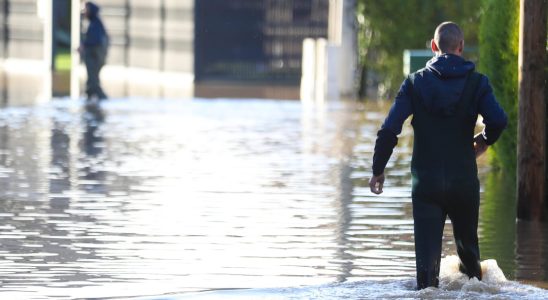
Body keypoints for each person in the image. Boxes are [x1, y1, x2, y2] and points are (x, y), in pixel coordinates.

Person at [369, 22, 507, 290]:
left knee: (426, 279)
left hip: (426, 185)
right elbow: (498, 120)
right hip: (463, 184)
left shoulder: (414, 83)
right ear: (462, 47)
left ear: (433, 47)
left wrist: (378, 169)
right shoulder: (478, 83)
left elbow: (389, 130)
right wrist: (484, 140)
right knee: (472, 273)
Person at [79, 1, 109, 102]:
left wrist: (84, 45)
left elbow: (96, 40)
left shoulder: (96, 23)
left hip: (95, 58)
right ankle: (89, 99)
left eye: (86, 9)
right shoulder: (93, 23)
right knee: (91, 83)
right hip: (93, 57)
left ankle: (103, 99)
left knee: (93, 82)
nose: (84, 12)